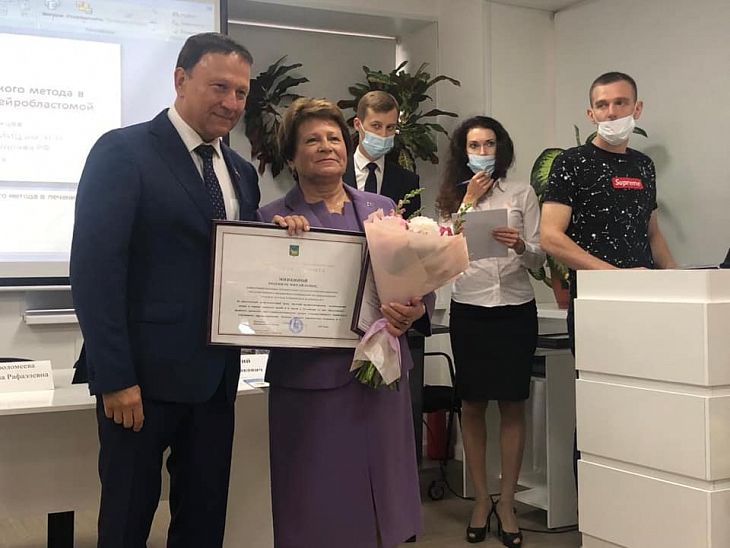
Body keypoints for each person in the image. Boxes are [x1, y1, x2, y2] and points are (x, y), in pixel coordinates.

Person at [71, 33, 262, 547]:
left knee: (203, 520)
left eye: (241, 92)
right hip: (139, 384)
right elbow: (94, 271)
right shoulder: (123, 151)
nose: (231, 103)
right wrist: (115, 377)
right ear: (180, 79)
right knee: (127, 520)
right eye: (219, 87)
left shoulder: (241, 172)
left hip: (215, 381)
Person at [257, 97, 435, 548]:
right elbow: (260, 302)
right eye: (311, 140)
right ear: (292, 157)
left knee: (383, 505)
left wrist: (413, 309)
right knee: (316, 503)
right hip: (311, 386)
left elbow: (415, 279)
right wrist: (281, 250)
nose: (326, 147)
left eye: (334, 138)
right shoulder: (270, 219)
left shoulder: (382, 207)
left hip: (380, 377)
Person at [436, 116, 545, 546]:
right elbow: (442, 251)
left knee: (513, 403)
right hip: (470, 307)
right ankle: (481, 499)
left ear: (501, 148)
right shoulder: (451, 196)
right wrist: (467, 202)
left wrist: (520, 245)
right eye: (474, 145)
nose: (482, 152)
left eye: (489, 144)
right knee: (473, 404)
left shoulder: (521, 192)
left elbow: (539, 257)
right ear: (463, 151)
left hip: (515, 307)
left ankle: (507, 502)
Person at [540, 71, 676, 350]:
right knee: (600, 375)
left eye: (620, 102)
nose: (611, 112)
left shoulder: (643, 165)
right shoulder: (571, 163)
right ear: (591, 114)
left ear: (637, 108)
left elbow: (652, 234)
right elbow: (550, 236)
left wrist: (678, 280)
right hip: (595, 301)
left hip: (646, 297)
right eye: (602, 105)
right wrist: (614, 276)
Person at [343, 90, 421, 218]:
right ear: (357, 124)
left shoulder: (407, 181)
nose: (383, 134)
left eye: (390, 127)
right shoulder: (335, 173)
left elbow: (411, 227)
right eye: (376, 126)